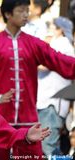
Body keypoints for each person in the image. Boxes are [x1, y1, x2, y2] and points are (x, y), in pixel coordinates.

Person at [0, 0, 75, 159]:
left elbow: (58, 60)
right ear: (7, 14)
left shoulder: (33, 43)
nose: (26, 14)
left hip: (28, 119)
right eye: (21, 10)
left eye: (27, 10)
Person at [37, 16, 75, 157]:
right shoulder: (58, 43)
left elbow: (42, 64)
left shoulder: (62, 44)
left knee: (48, 146)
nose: (49, 30)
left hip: (51, 104)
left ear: (61, 30)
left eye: (53, 27)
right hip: (46, 103)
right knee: (43, 146)